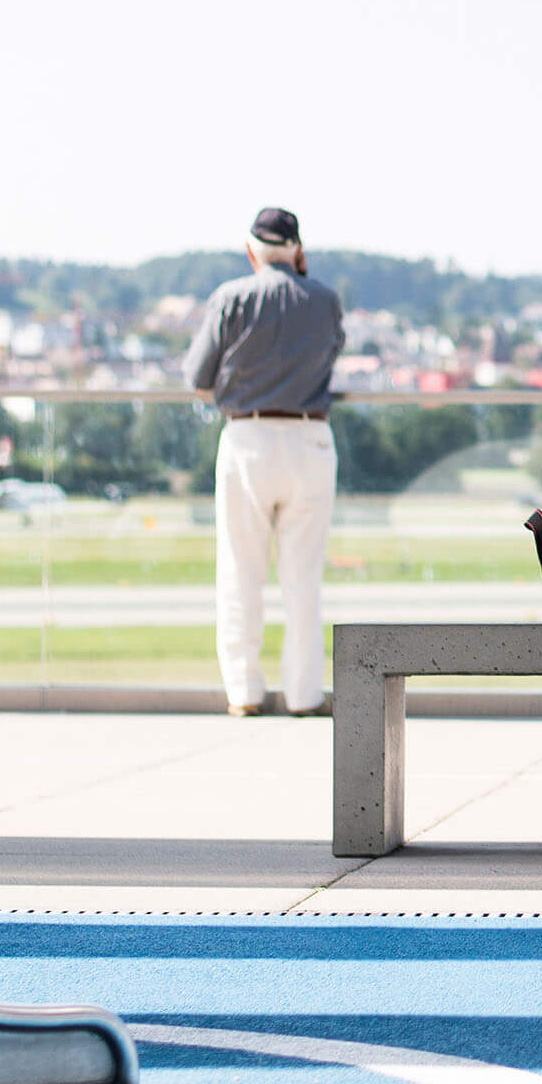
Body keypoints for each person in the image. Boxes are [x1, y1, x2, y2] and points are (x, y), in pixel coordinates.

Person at [184, 207, 347, 719]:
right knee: (304, 579)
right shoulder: (324, 299)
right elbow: (332, 353)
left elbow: (198, 375)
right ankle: (304, 693)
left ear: (251, 250)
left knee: (240, 570)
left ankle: (244, 690)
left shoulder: (230, 298)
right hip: (309, 439)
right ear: (297, 250)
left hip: (248, 437)